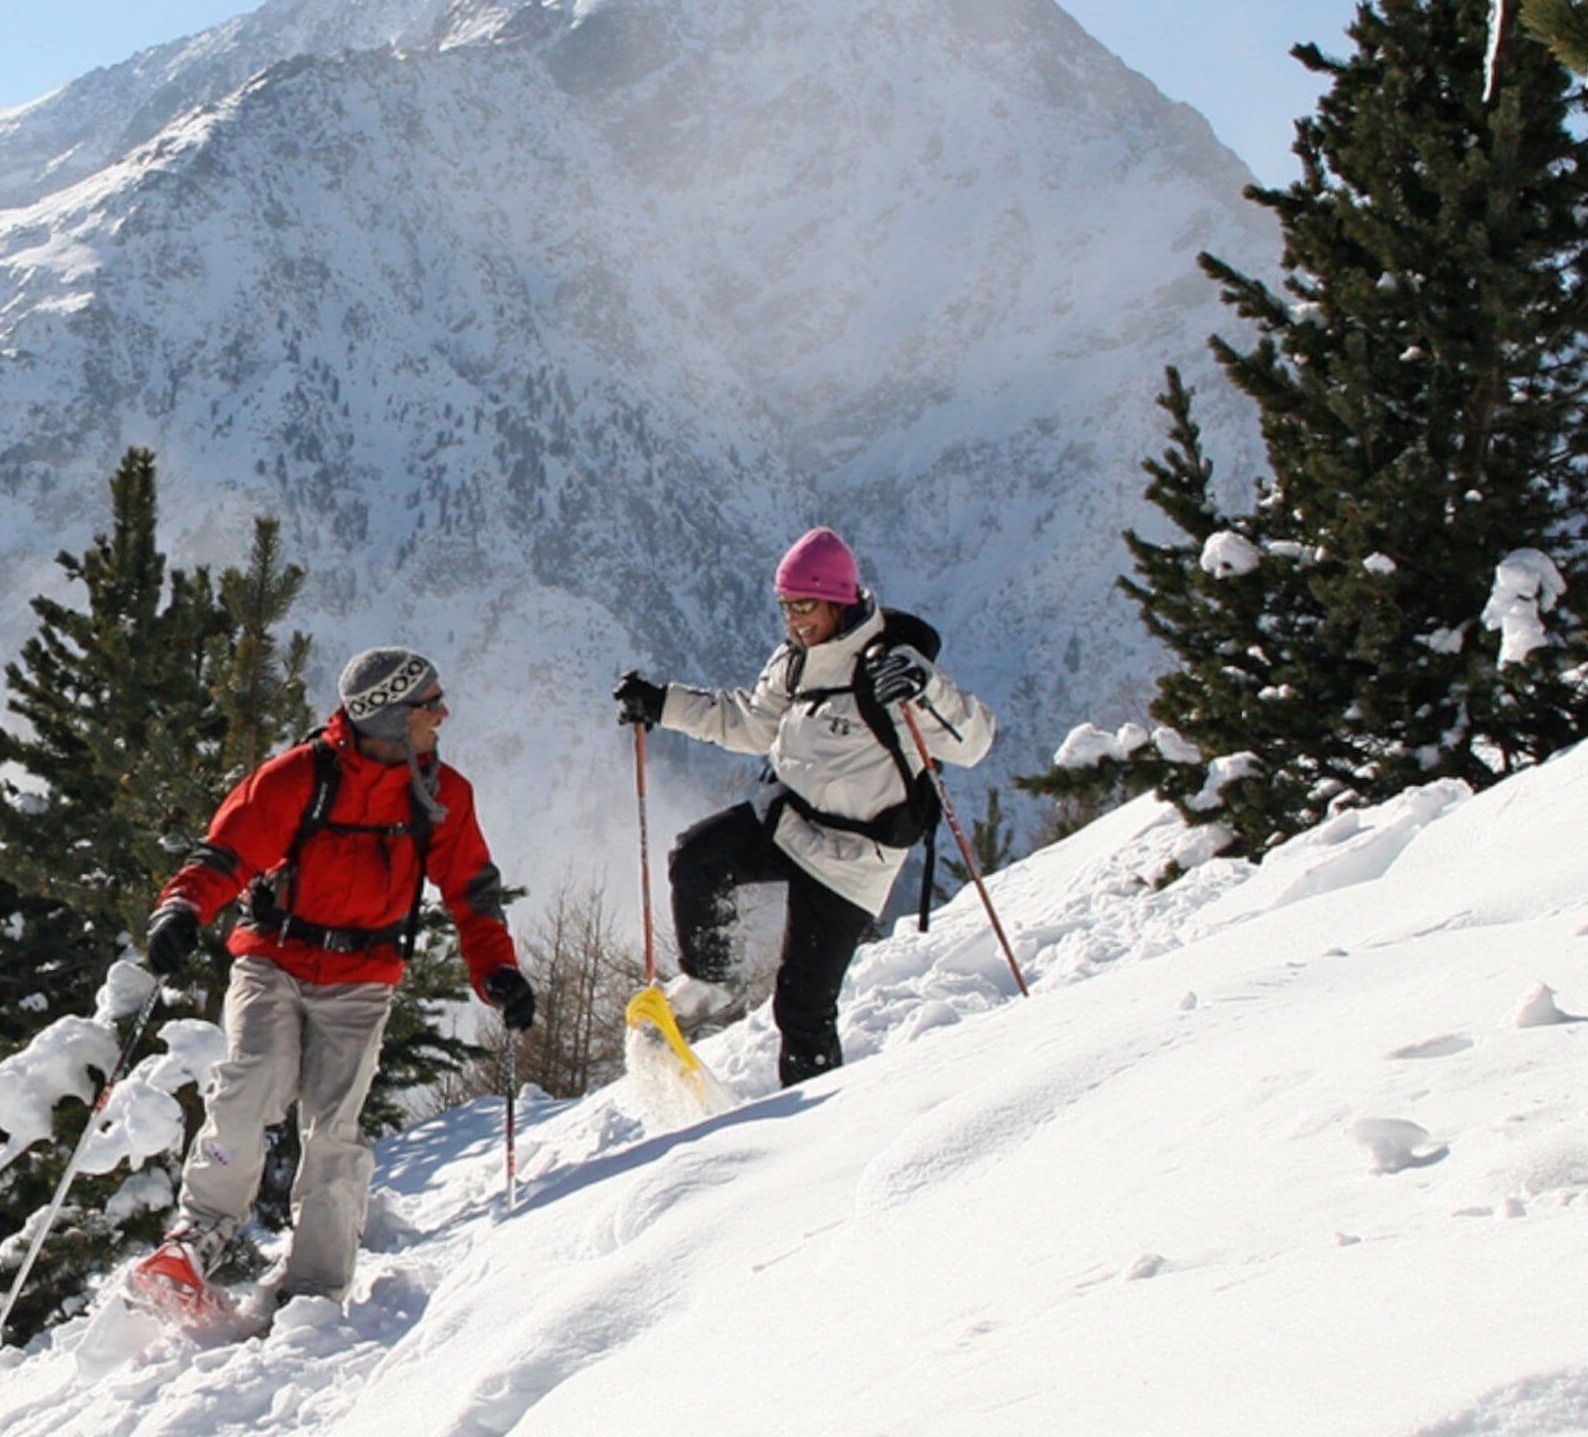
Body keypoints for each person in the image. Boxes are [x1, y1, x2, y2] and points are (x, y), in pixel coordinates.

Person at [141, 647, 534, 1302]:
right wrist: (182, 909)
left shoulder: (440, 795)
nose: (443, 714)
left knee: (335, 1129)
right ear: (385, 716)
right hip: (274, 959)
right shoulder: (301, 777)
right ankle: (201, 1233)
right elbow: (228, 850)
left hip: (363, 976)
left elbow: (472, 889)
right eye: (428, 703)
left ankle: (315, 1288)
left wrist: (497, 971)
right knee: (249, 1085)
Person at [611, 528, 993, 1086]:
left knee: (803, 1008)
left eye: (805, 605)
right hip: (790, 820)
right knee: (696, 857)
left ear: (840, 599)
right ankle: (709, 983)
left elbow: (976, 744)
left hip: (853, 861)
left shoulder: (889, 666)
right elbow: (749, 722)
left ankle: (806, 1136)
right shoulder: (795, 661)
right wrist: (663, 705)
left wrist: (925, 689)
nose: (794, 619)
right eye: (786, 606)